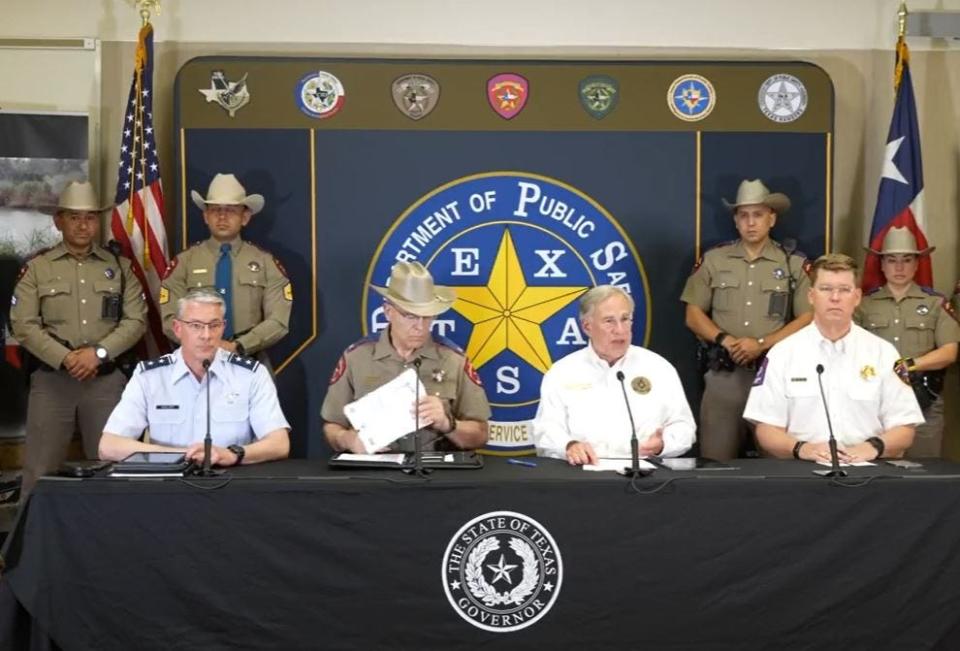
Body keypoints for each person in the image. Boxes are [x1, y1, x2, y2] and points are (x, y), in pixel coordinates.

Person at [10, 181, 146, 495]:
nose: (83, 225)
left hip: (105, 382)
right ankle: (34, 543)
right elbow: (24, 324)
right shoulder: (37, 269)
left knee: (113, 468)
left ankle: (110, 542)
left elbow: (136, 321)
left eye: (89, 217)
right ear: (59, 221)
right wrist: (68, 357)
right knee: (40, 471)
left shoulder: (120, 268)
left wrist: (97, 354)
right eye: (74, 217)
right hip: (53, 381)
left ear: (98, 221)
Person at [681, 178, 813, 460]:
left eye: (758, 215)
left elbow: (808, 318)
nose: (751, 222)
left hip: (775, 376)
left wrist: (763, 343)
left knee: (779, 465)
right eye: (744, 215)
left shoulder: (793, 263)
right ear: (736, 220)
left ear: (772, 218)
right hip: (725, 374)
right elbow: (692, 315)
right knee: (716, 462)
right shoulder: (714, 260)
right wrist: (726, 340)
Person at [744, 254, 922, 463]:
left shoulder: (883, 352)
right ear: (811, 296)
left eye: (844, 290)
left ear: (856, 297)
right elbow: (766, 429)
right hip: (802, 469)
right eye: (826, 289)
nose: (835, 297)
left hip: (869, 469)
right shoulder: (783, 353)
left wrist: (872, 447)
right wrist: (803, 449)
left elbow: (904, 427)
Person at [99, 288, 290, 466]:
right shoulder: (150, 376)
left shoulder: (251, 375)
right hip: (168, 485)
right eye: (196, 326)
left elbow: (279, 444)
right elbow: (109, 446)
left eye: (214, 325)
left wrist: (231, 454)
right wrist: (182, 455)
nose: (206, 335)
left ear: (223, 327)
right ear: (177, 328)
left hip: (231, 484)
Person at [322, 261, 490, 453]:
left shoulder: (453, 360)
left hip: (436, 474)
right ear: (388, 312)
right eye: (410, 316)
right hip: (372, 473)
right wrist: (348, 440)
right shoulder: (357, 358)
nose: (420, 326)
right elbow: (332, 425)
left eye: (427, 317)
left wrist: (447, 424)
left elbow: (481, 434)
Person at [534, 285, 696, 465]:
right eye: (609, 321)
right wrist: (569, 445)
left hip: (645, 476)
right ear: (587, 326)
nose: (620, 330)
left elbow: (684, 427)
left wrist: (663, 444)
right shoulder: (562, 372)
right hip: (583, 476)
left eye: (625, 319)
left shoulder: (659, 368)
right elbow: (545, 430)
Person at [159, 173, 292, 362]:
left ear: (245, 217)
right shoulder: (183, 263)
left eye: (231, 210)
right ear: (205, 216)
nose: (222, 216)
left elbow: (278, 321)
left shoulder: (265, 263)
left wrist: (238, 346)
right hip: (195, 363)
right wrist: (204, 344)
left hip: (249, 360)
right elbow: (170, 319)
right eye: (215, 210)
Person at [856, 227, 959, 457]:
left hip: (922, 400)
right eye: (891, 260)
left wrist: (908, 365)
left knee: (924, 472)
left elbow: (949, 352)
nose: (899, 267)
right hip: (874, 402)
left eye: (907, 260)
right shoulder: (863, 305)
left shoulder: (935, 303)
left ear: (917, 264)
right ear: (881, 265)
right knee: (876, 474)